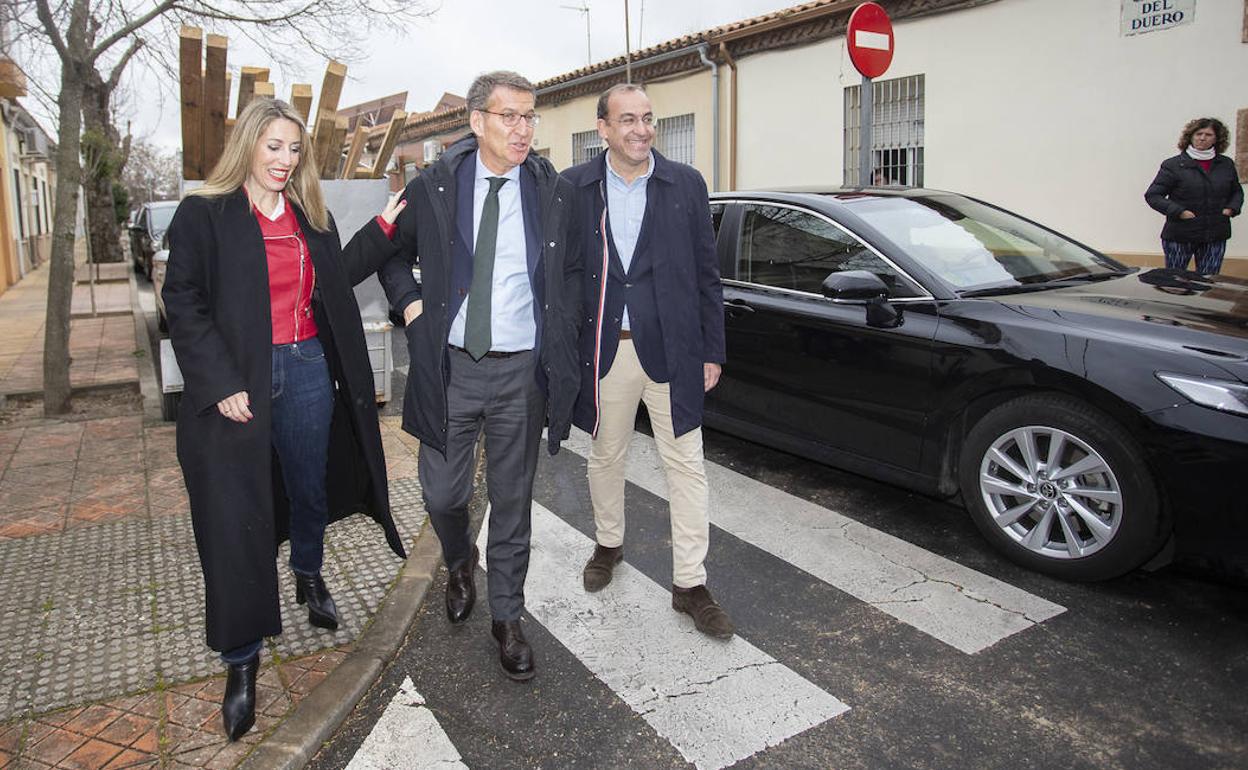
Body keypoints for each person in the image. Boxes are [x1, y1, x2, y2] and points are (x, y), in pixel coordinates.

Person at [162, 98, 408, 741]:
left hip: (303, 368)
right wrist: (218, 383)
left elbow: (338, 279)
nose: (285, 160)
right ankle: (241, 662)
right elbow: (182, 302)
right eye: (273, 146)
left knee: (307, 485)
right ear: (247, 145)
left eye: (294, 149)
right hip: (235, 385)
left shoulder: (306, 215)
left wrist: (382, 231)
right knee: (236, 520)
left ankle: (307, 572)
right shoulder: (205, 214)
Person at [377, 71, 582, 681]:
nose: (522, 130)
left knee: (514, 501)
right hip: (452, 369)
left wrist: (564, 336)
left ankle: (507, 617)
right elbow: (390, 251)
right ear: (477, 122)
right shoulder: (437, 186)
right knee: (443, 493)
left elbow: (571, 272)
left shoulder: (550, 190)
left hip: (521, 370)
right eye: (508, 117)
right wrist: (410, 306)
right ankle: (460, 558)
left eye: (529, 117)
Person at [563, 83, 733, 640]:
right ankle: (608, 545)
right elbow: (563, 276)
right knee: (605, 455)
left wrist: (712, 349)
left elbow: (708, 275)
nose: (641, 129)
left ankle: (690, 583)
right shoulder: (576, 187)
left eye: (648, 119)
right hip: (607, 351)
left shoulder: (684, 184)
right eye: (627, 120)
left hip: (674, 351)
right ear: (604, 129)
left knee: (685, 463)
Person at [1145, 117, 1243, 275]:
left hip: (1215, 234)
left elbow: (1236, 191)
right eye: (1199, 133)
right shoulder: (1173, 165)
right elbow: (1154, 195)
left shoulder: (1226, 164)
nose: (1203, 138)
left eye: (1208, 134)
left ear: (1217, 139)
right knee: (1175, 281)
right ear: (1190, 136)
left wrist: (1231, 208)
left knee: (1208, 282)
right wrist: (1179, 212)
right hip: (1180, 234)